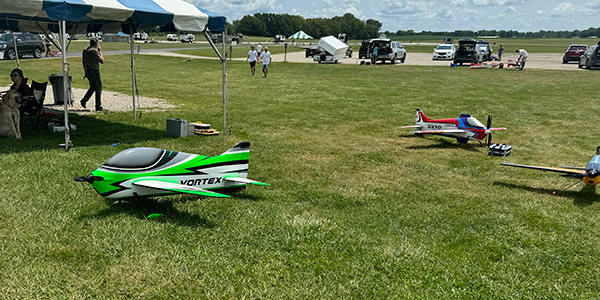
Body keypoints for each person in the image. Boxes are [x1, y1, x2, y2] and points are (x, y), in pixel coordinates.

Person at [80, 37, 105, 111]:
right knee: (98, 88)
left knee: (93, 87)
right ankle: (98, 106)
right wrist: (100, 51)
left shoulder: (85, 50)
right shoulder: (94, 51)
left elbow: (83, 62)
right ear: (96, 44)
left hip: (88, 71)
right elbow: (101, 60)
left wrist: (85, 71)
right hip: (95, 71)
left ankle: (84, 100)